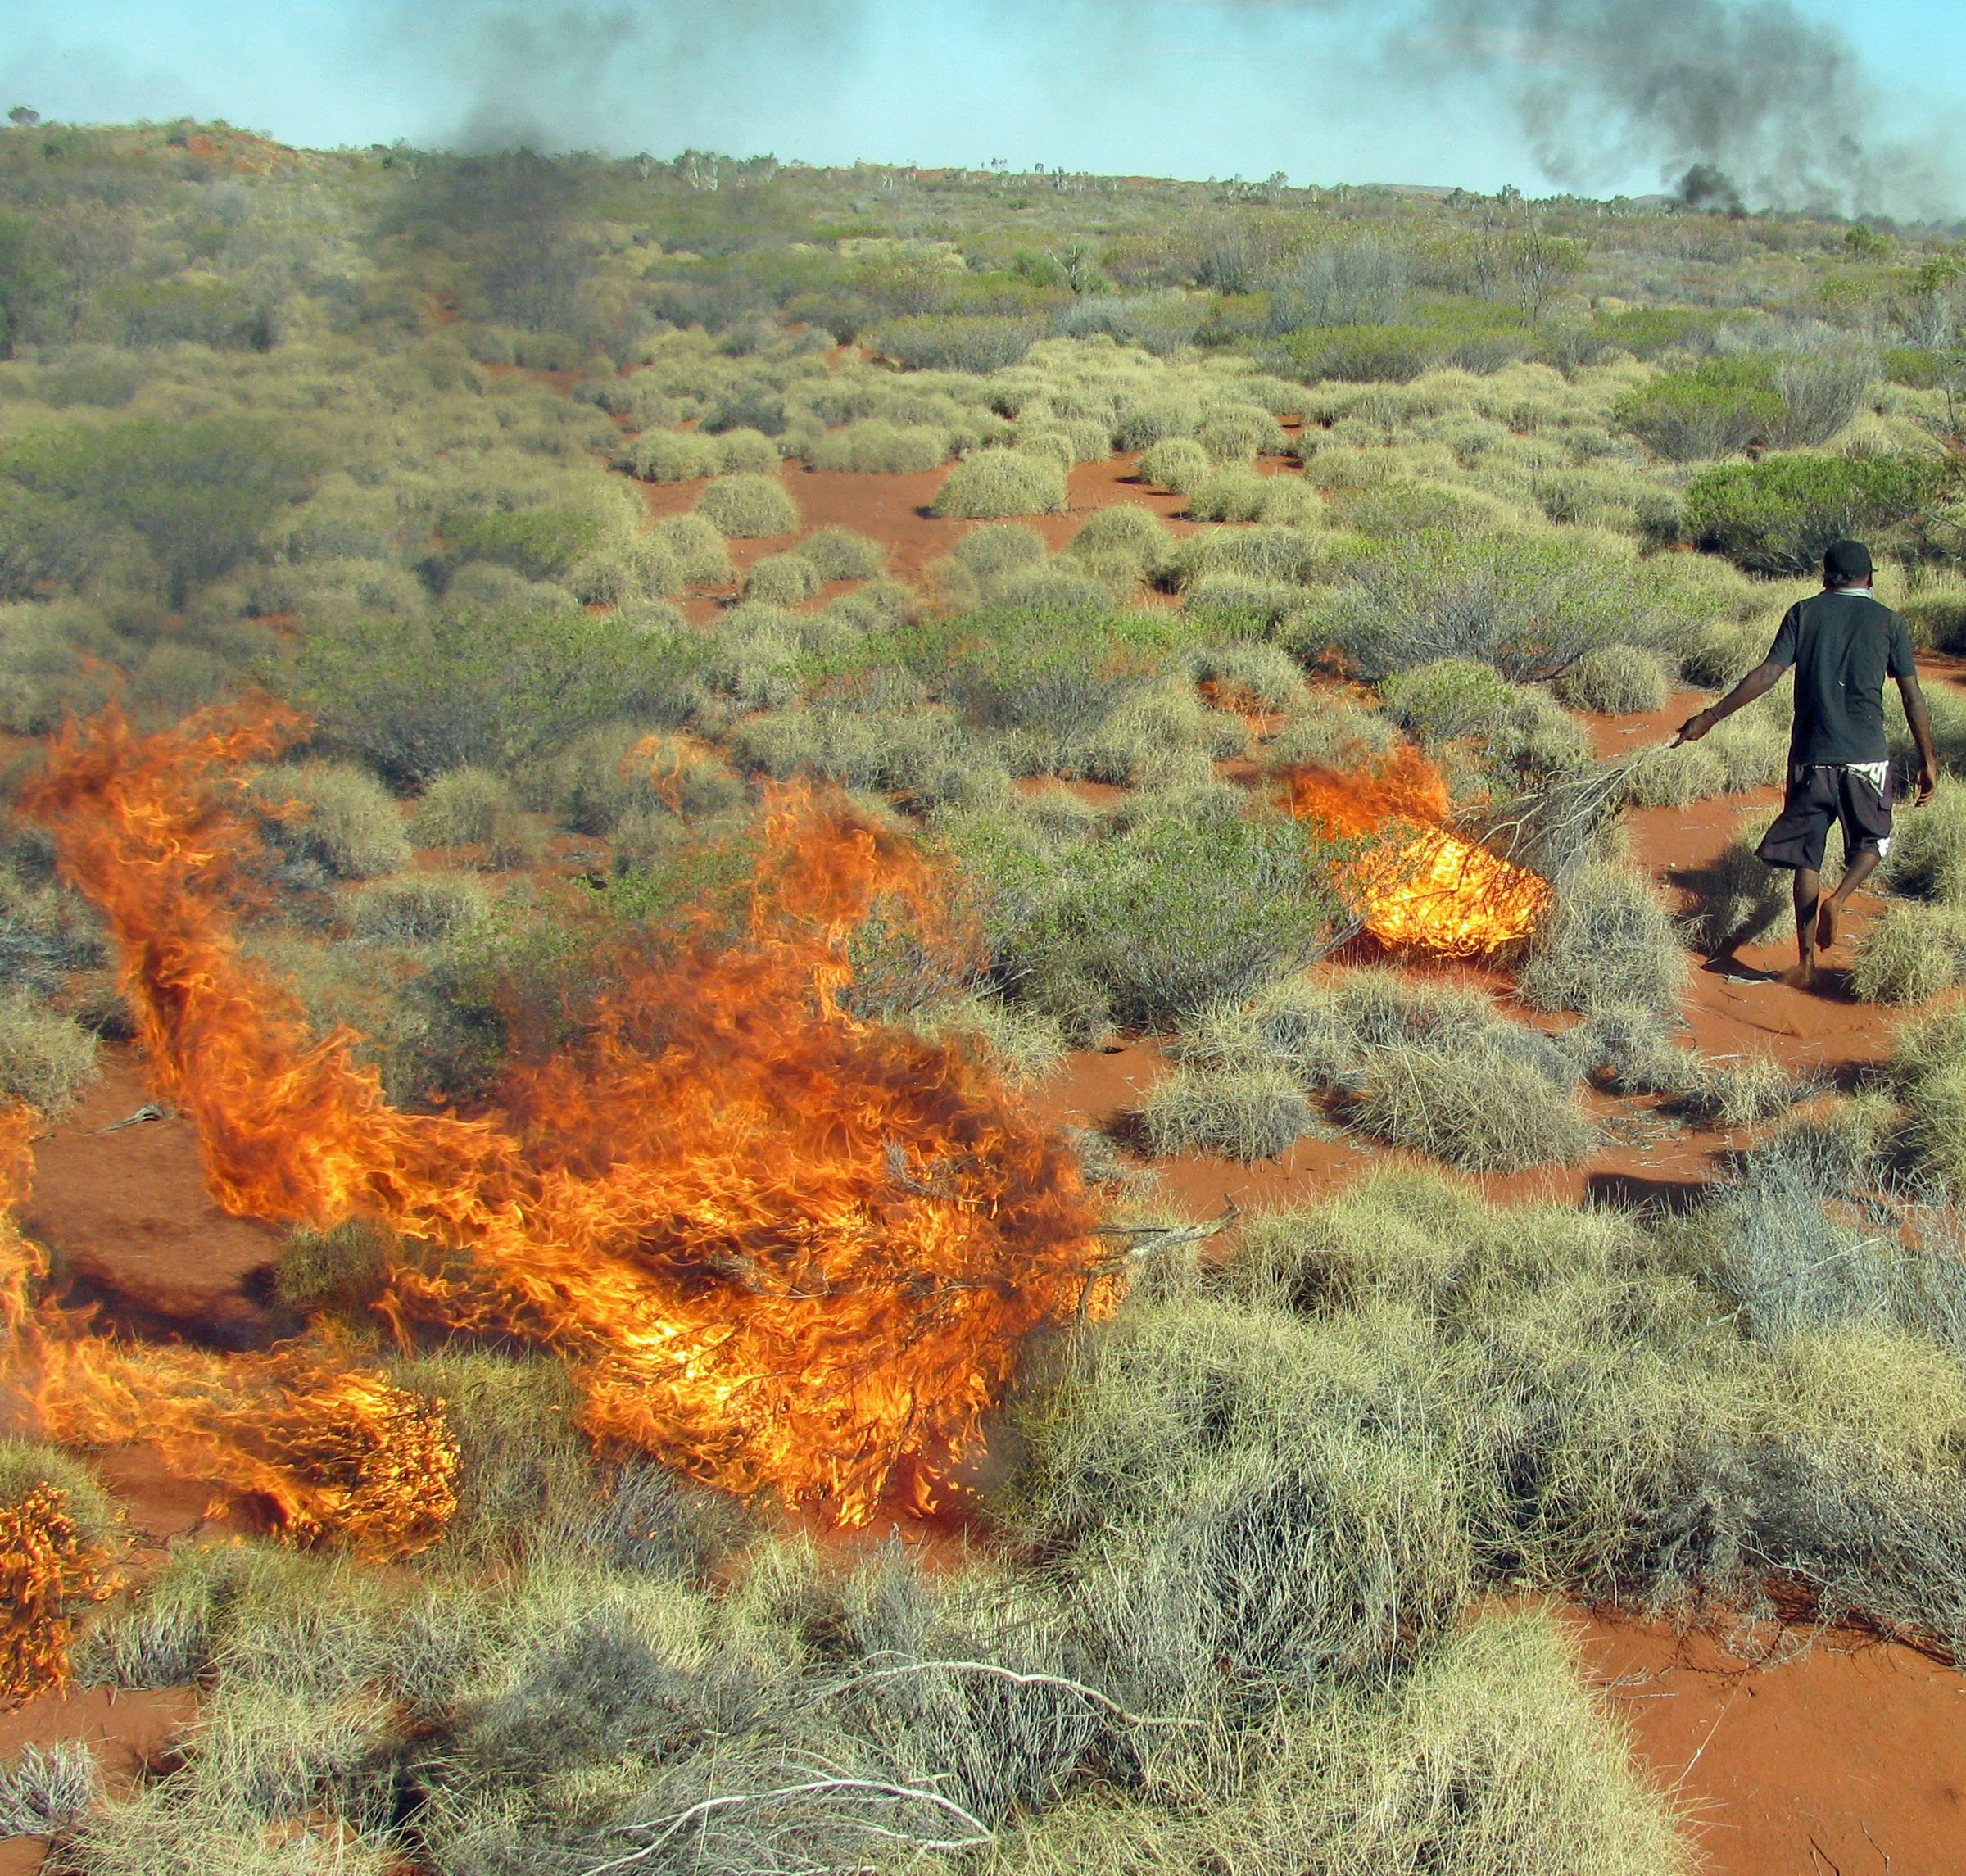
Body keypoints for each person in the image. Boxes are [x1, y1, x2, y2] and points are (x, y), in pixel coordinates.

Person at [1675, 537, 1938, 987]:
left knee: (1806, 858)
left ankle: (1806, 964)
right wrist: (1928, 759)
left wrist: (1710, 716)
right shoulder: (1889, 622)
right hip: (1866, 758)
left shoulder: (1804, 612)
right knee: (1873, 842)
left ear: (1825, 576)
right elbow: (1912, 697)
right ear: (1870, 578)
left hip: (1810, 759)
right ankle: (1841, 897)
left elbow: (1767, 675)